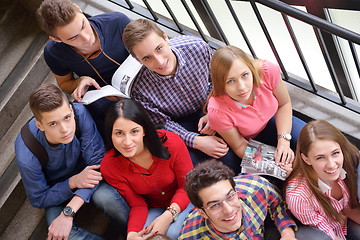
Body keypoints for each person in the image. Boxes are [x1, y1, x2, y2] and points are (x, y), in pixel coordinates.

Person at [122, 19, 241, 173]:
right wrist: (196, 141)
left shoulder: (197, 48)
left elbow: (217, 80)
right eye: (147, 58)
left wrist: (212, 109)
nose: (159, 61)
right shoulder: (139, 89)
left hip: (212, 104)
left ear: (166, 37)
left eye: (159, 48)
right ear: (137, 60)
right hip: (179, 123)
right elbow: (162, 123)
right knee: (216, 162)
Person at [14, 84, 129, 239]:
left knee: (107, 198)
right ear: (40, 125)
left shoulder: (79, 113)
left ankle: (135, 235)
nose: (65, 129)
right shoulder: (27, 150)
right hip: (56, 190)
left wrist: (70, 210)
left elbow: (98, 163)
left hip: (90, 174)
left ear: (70, 109)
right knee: (64, 235)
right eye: (53, 124)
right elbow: (39, 198)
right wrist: (73, 182)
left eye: (67, 118)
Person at [100, 99, 194, 240]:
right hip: (153, 208)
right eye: (119, 133)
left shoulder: (171, 142)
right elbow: (137, 204)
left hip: (185, 198)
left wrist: (169, 215)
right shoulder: (109, 164)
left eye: (134, 132)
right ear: (110, 134)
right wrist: (131, 234)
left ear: (144, 130)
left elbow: (187, 186)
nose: (127, 142)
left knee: (173, 234)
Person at [36, 0, 131, 130]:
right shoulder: (54, 53)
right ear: (57, 40)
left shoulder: (117, 22)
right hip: (104, 97)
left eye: (83, 25)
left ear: (78, 8)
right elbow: (64, 83)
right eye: (73, 38)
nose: (86, 38)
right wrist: (80, 81)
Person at [207, 46, 306, 168]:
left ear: (251, 69)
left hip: (274, 120)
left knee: (312, 141)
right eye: (231, 81)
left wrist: (284, 142)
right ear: (220, 83)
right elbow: (239, 145)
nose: (242, 87)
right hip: (248, 142)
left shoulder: (267, 71)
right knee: (283, 171)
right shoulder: (217, 112)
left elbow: (284, 104)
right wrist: (275, 164)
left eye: (245, 75)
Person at [178, 159, 297, 240]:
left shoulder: (256, 187)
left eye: (230, 197)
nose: (228, 210)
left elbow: (278, 204)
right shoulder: (190, 236)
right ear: (202, 212)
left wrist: (287, 234)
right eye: (214, 205)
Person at [285, 120, 360, 240]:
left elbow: (348, 211)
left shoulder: (350, 160)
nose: (331, 164)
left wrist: (350, 212)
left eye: (335, 153)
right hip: (326, 234)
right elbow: (327, 233)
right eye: (320, 157)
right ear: (306, 159)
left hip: (348, 220)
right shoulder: (298, 197)